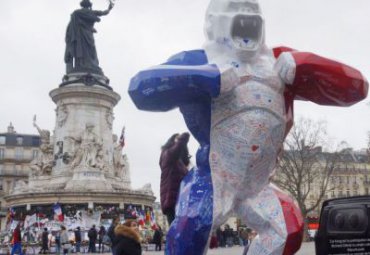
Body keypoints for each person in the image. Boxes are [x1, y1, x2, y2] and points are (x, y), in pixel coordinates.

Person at [128, 0, 368, 253]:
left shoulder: (279, 62)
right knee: (191, 228)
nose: (245, 15)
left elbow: (356, 87)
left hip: (258, 184)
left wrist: (307, 65)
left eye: (253, 9)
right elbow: (140, 89)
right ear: (212, 23)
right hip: (214, 178)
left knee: (288, 229)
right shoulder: (201, 60)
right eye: (234, 8)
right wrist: (204, 77)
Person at [65, 0, 113, 75]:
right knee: (90, 50)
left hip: (79, 35)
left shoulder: (77, 13)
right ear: (88, 5)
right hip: (85, 34)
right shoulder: (90, 12)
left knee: (81, 49)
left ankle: (81, 64)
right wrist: (109, 8)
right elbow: (103, 13)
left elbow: (71, 25)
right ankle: (87, 65)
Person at [159, 132, 190, 225]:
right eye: (176, 139)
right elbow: (177, 148)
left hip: (181, 200)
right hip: (172, 200)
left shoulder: (181, 163)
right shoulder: (167, 154)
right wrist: (184, 137)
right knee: (176, 229)